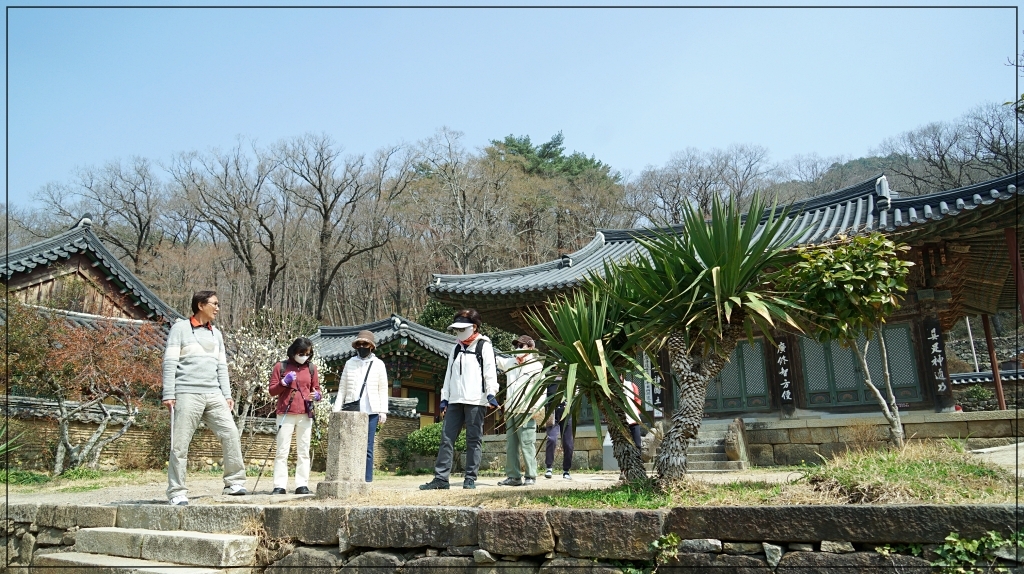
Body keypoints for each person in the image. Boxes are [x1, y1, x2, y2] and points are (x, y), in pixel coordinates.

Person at [162, 290, 246, 506]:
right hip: (186, 392)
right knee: (180, 443)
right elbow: (170, 362)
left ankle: (234, 482)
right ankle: (177, 491)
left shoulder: (216, 334)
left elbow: (221, 367)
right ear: (201, 305)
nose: (217, 308)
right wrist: (168, 393)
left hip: (214, 393)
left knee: (230, 433)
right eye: (214, 304)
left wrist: (227, 394)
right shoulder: (180, 328)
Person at [420, 309, 499, 490]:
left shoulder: (483, 346)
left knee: (473, 439)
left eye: (463, 328)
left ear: (474, 327)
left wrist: (491, 393)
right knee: (446, 438)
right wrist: (444, 398)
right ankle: (441, 478)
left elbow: (490, 372)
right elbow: (448, 375)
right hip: (455, 400)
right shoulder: (456, 348)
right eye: (457, 329)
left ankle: (470, 478)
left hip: (476, 400)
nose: (459, 332)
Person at [268, 338, 323, 494]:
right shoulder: (281, 366)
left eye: (308, 353)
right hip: (285, 413)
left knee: (304, 451)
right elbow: (272, 391)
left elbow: (317, 389)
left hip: (305, 413)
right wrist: (284, 383)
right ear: (294, 351)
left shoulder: (312, 368)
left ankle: (302, 484)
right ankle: (279, 485)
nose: (305, 356)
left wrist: (317, 396)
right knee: (282, 451)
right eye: (301, 353)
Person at [332, 330, 389, 482]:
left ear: (371, 346)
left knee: (368, 447)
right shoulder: (349, 363)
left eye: (365, 344)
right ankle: (350, 477)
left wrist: (383, 411)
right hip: (352, 409)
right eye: (360, 344)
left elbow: (383, 389)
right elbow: (342, 388)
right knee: (349, 445)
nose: (362, 347)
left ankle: (367, 480)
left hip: (371, 411)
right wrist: (336, 409)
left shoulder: (378, 364)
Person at [495, 335, 544, 487]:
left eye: (521, 346)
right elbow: (495, 359)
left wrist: (537, 409)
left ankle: (531, 475)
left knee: (527, 443)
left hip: (527, 410)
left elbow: (541, 390)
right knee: (511, 445)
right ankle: (514, 477)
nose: (518, 348)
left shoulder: (536, 366)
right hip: (510, 409)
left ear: (531, 347)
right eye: (516, 346)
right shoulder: (510, 362)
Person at [543, 380, 575, 480]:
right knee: (552, 439)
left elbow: (576, 392)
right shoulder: (549, 377)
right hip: (552, 412)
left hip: (566, 412)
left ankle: (566, 470)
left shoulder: (569, 377)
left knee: (568, 443)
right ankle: (549, 468)